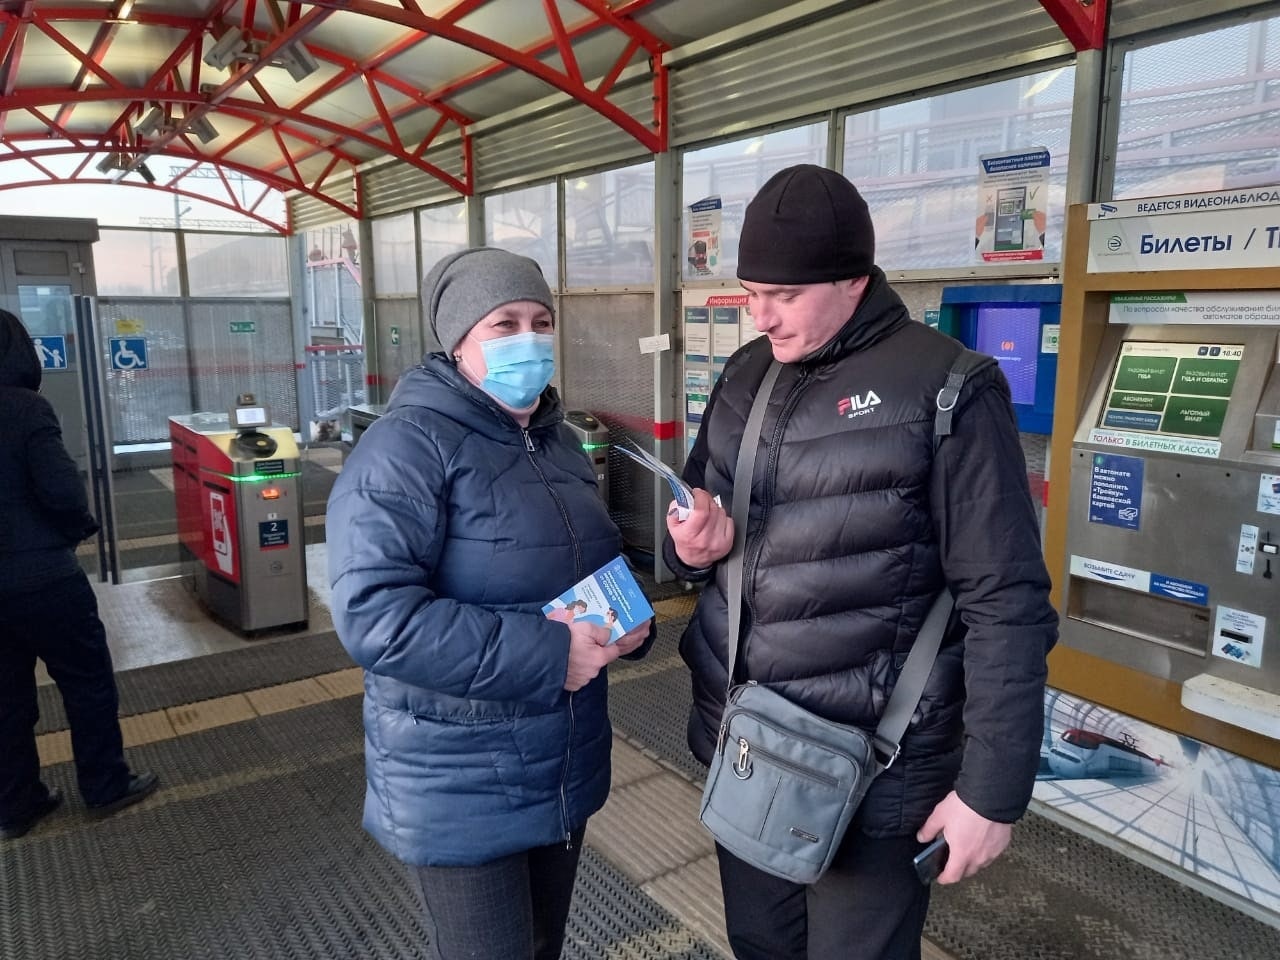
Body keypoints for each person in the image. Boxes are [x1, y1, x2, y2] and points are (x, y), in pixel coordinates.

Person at [664, 165, 1057, 960]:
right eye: (750, 290)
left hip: (875, 769)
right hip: (748, 743)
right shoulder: (745, 375)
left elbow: (1007, 600)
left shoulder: (950, 390)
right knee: (758, 944)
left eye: (782, 294)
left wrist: (992, 792)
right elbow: (710, 516)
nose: (759, 315)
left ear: (852, 280)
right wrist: (696, 547)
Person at [327, 247, 654, 960]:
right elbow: (375, 614)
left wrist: (631, 621)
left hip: (559, 760)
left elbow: (590, 563)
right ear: (457, 342)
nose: (528, 339)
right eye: (503, 323)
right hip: (459, 782)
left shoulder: (559, 443)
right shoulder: (403, 449)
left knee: (542, 948)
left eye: (540, 321)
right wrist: (549, 654)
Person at [0, 309, 159, 842]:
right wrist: (76, 529)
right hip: (44, 577)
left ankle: (17, 803)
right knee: (86, 681)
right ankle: (104, 783)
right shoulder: (25, 408)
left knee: (6, 697)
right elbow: (61, 490)